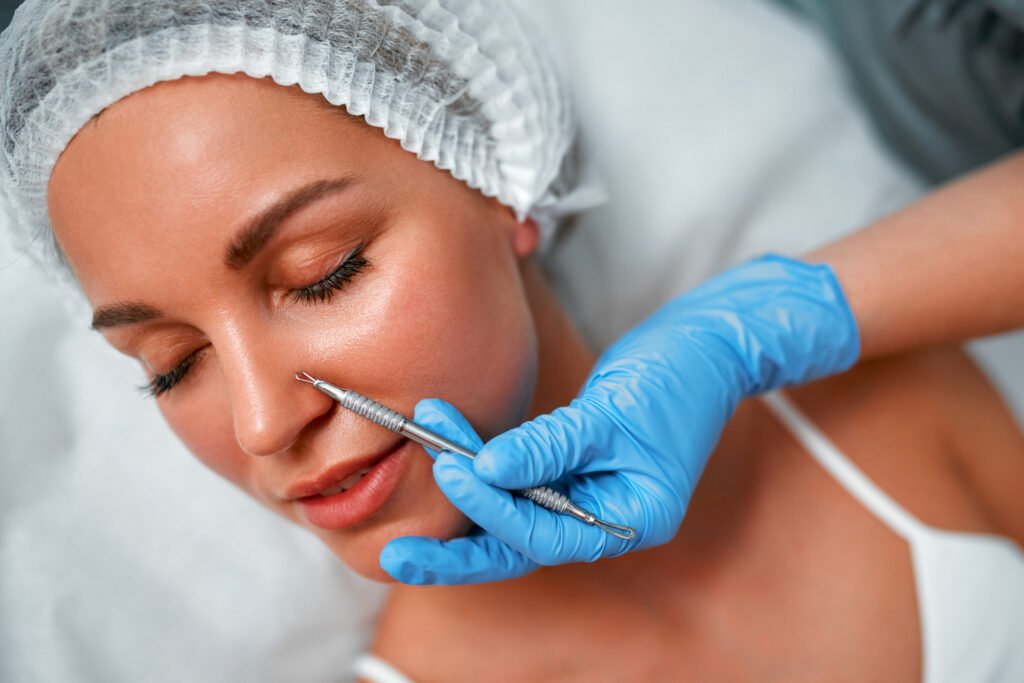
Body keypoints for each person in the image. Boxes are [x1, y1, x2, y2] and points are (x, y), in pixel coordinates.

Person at [2, 2, 1023, 682]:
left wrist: (748, 330)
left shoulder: (874, 409)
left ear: (501, 182)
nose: (264, 423)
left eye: (324, 272)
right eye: (172, 366)